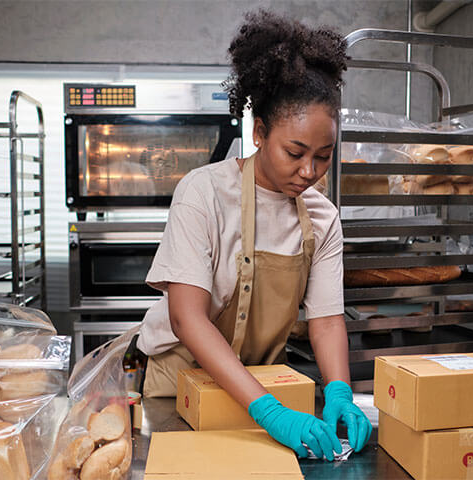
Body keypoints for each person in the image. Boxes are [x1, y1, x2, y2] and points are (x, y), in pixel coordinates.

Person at [135, 9, 372, 461]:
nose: (309, 171)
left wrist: (340, 391)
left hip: (263, 384)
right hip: (180, 387)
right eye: (295, 152)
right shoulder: (202, 193)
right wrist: (270, 413)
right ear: (259, 132)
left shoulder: (322, 217)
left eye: (323, 156)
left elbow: (324, 319)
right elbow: (188, 318)